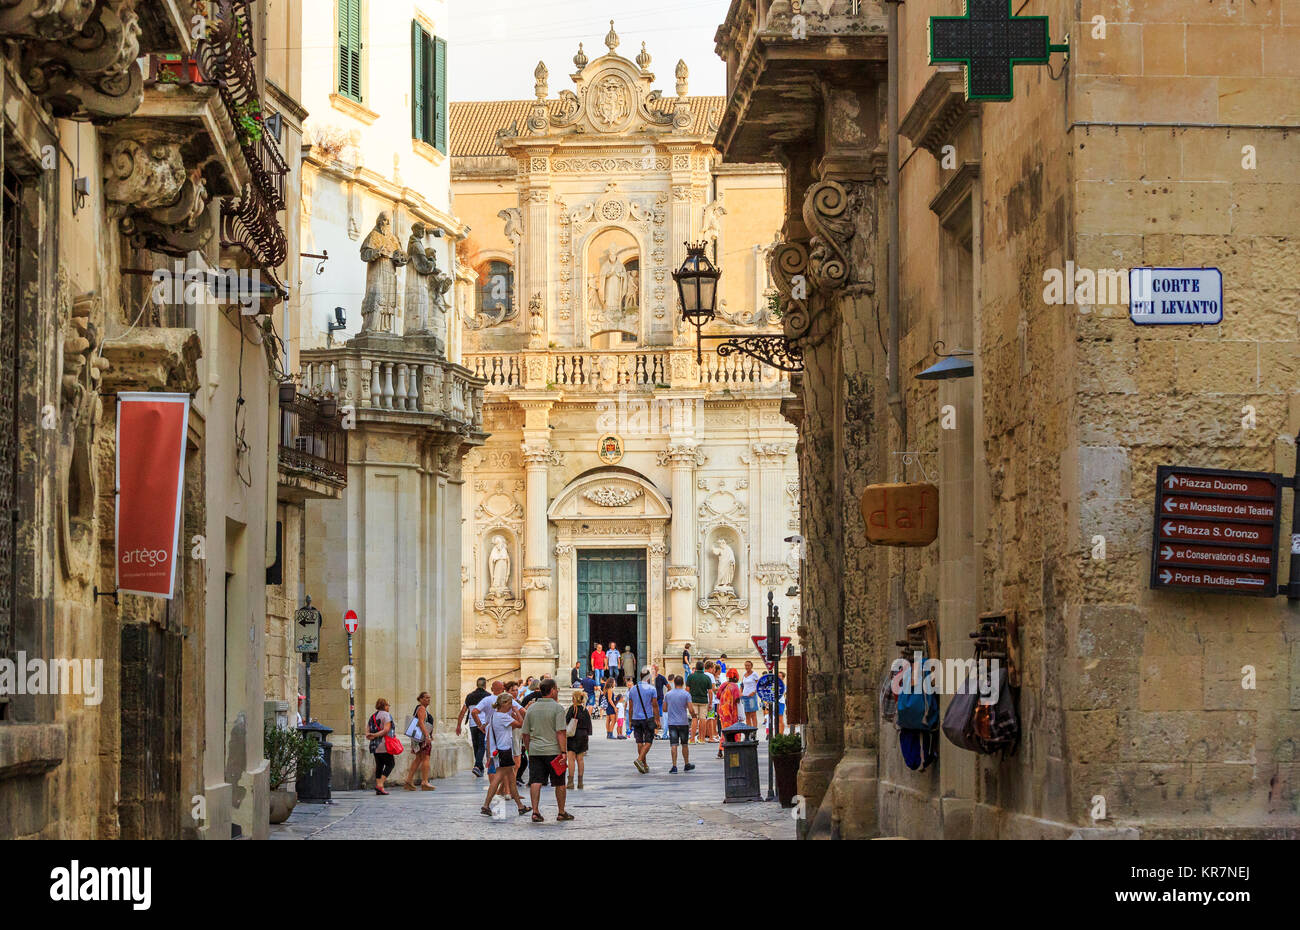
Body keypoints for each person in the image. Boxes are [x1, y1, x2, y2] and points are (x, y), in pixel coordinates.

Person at [521, 678, 573, 822]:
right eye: (556, 689)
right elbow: (561, 732)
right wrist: (564, 752)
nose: (557, 691)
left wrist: (529, 749)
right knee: (559, 782)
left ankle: (535, 812)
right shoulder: (557, 708)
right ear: (552, 690)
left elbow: (525, 733)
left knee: (535, 781)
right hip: (554, 752)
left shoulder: (531, 708)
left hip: (535, 751)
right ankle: (561, 812)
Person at [480, 692, 530, 817]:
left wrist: (491, 756)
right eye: (510, 703)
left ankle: (520, 806)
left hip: (500, 751)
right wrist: (516, 712)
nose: (512, 705)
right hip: (505, 751)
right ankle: (486, 805)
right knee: (498, 779)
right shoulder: (503, 716)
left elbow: (504, 731)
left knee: (512, 779)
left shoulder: (494, 716)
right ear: (504, 703)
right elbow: (521, 724)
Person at [626, 666, 661, 774]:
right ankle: (640, 759)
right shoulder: (651, 689)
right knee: (649, 741)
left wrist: (630, 721)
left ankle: (644, 765)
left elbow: (630, 707)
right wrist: (657, 719)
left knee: (639, 741)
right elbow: (655, 705)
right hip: (648, 718)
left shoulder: (633, 689)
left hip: (636, 718)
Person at [403, 690, 436, 791]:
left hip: (418, 738)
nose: (428, 699)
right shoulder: (421, 708)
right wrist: (427, 736)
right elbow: (421, 723)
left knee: (418, 758)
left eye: (429, 697)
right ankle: (425, 782)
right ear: (420, 699)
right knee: (426, 758)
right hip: (422, 738)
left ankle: (409, 781)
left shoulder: (421, 709)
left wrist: (430, 734)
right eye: (426, 697)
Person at [457, 677, 490, 776]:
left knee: (476, 745)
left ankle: (479, 767)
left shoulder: (469, 696)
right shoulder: (488, 696)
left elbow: (463, 711)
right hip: (484, 724)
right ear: (485, 685)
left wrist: (458, 725)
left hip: (472, 724)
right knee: (482, 745)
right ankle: (477, 765)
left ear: (476, 684)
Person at [664, 675, 694, 773]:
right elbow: (690, 709)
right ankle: (686, 764)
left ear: (674, 683)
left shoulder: (668, 694)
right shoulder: (686, 694)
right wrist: (694, 715)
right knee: (684, 744)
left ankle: (674, 766)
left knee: (673, 744)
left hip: (672, 723)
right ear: (682, 683)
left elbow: (664, 709)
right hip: (683, 722)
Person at [365, 698, 395, 795]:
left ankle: (380, 787)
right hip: (384, 745)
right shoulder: (386, 715)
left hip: (374, 746)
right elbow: (386, 730)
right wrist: (375, 735)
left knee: (379, 765)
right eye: (388, 705)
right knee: (391, 764)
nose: (388, 707)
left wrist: (371, 736)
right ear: (385, 706)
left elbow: (367, 732)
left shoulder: (372, 716)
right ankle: (380, 784)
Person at [565, 688, 592, 790]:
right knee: (580, 759)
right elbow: (589, 725)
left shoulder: (573, 709)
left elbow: (566, 721)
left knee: (571, 759)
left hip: (573, 735)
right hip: (583, 735)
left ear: (574, 699)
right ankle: (580, 782)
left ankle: (570, 782)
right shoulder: (585, 710)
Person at [716, 669, 742, 758]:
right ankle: (734, 748)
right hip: (731, 711)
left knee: (725, 730)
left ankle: (720, 750)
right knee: (733, 729)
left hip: (722, 710)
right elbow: (737, 699)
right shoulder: (734, 686)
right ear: (735, 677)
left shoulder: (724, 684)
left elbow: (718, 695)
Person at [686, 661, 713, 745]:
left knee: (694, 719)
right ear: (703, 668)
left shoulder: (690, 677)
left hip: (693, 700)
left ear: (696, 667)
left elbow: (687, 690)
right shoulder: (707, 678)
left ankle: (692, 739)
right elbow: (710, 692)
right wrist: (710, 703)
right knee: (703, 719)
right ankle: (702, 739)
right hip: (704, 701)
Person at [741, 660, 761, 730]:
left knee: (753, 714)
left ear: (751, 666)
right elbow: (742, 685)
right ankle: (748, 731)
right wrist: (740, 693)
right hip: (744, 697)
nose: (747, 667)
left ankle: (754, 731)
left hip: (752, 697)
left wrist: (754, 692)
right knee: (747, 715)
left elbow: (759, 685)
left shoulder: (754, 674)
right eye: (745, 665)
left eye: (748, 665)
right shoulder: (744, 674)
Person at [705, 661, 721, 742]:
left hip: (704, 699)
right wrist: (721, 688)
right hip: (711, 700)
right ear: (710, 668)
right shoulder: (710, 676)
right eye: (713, 668)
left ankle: (706, 735)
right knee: (711, 718)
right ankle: (712, 736)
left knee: (705, 719)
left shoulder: (703, 674)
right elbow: (713, 689)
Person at [652, 665, 670, 739]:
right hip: (651, 700)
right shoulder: (649, 678)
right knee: (652, 716)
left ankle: (655, 733)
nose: (654, 670)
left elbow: (668, 686)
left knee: (657, 716)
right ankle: (653, 733)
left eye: (655, 669)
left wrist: (666, 696)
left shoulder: (661, 678)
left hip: (659, 700)